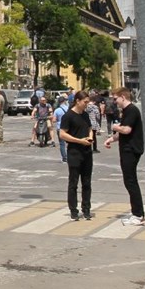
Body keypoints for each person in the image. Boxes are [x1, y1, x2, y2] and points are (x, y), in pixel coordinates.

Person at [105, 87, 145, 226]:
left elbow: (126, 130)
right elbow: (123, 131)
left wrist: (116, 127)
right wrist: (112, 139)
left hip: (131, 150)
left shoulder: (132, 110)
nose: (114, 102)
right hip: (127, 149)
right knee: (129, 180)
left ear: (123, 97)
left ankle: (138, 214)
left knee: (130, 181)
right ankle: (137, 212)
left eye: (115, 99)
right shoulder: (127, 111)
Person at [58, 90, 95, 220]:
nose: (87, 104)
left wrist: (90, 137)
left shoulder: (85, 115)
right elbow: (62, 134)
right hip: (74, 152)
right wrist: (79, 140)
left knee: (87, 182)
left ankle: (86, 208)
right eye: (85, 102)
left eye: (88, 102)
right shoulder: (68, 116)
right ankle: (73, 210)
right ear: (77, 101)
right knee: (73, 182)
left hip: (87, 152)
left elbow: (90, 129)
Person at [52, 96, 70, 163]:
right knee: (69, 143)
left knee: (62, 144)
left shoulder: (57, 110)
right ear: (64, 101)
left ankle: (64, 158)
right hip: (69, 128)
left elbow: (54, 120)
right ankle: (70, 156)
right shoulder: (69, 109)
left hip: (60, 128)